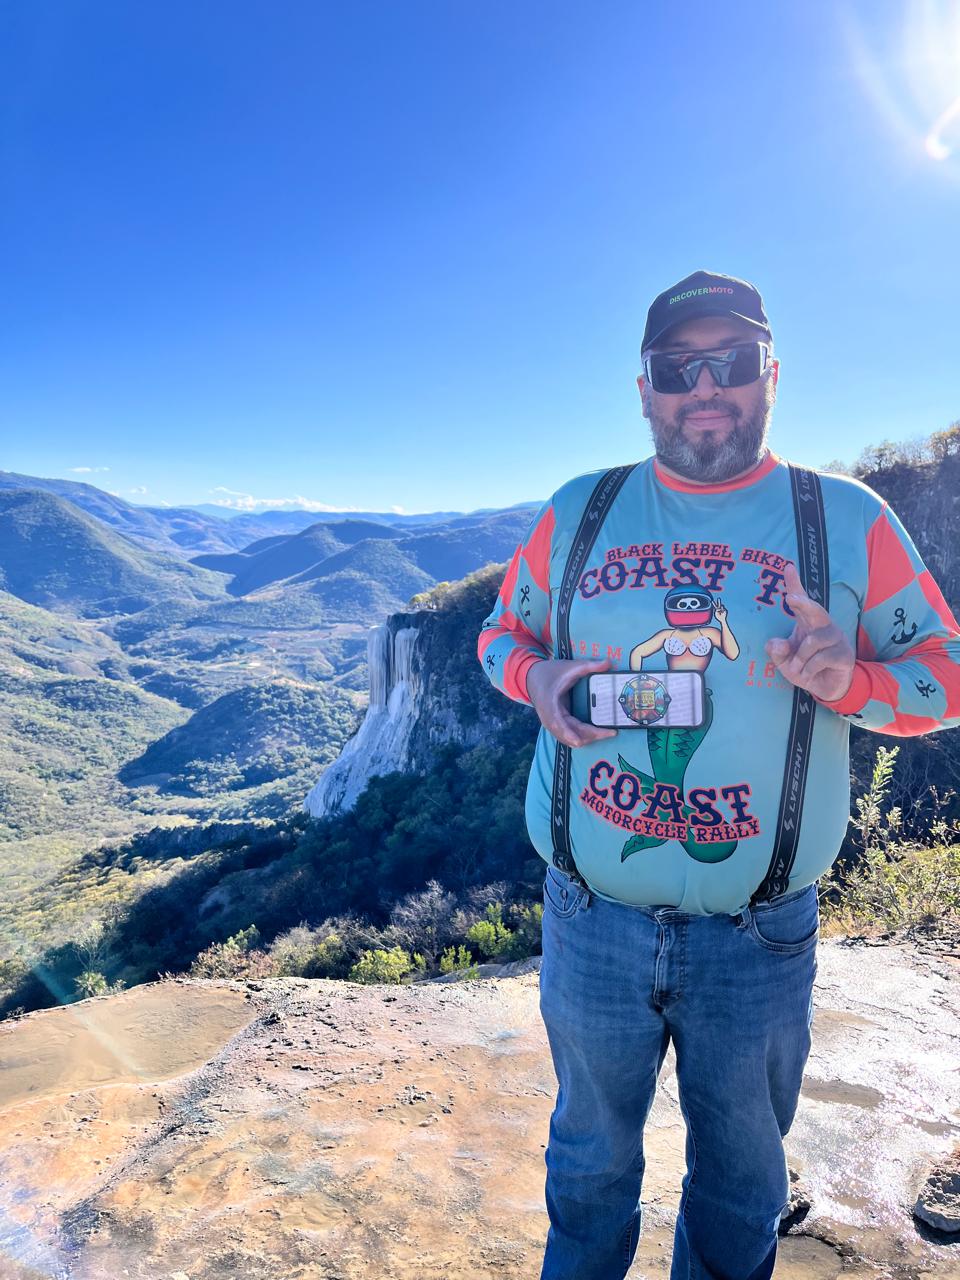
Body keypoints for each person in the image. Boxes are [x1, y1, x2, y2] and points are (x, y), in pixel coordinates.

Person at [476, 269, 960, 1280]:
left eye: (731, 363)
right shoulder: (578, 510)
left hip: (757, 939)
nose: (706, 386)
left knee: (741, 1183)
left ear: (771, 376)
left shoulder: (848, 518)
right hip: (588, 918)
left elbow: (944, 680)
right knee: (588, 1164)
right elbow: (496, 632)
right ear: (643, 387)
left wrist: (854, 676)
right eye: (678, 366)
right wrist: (541, 675)